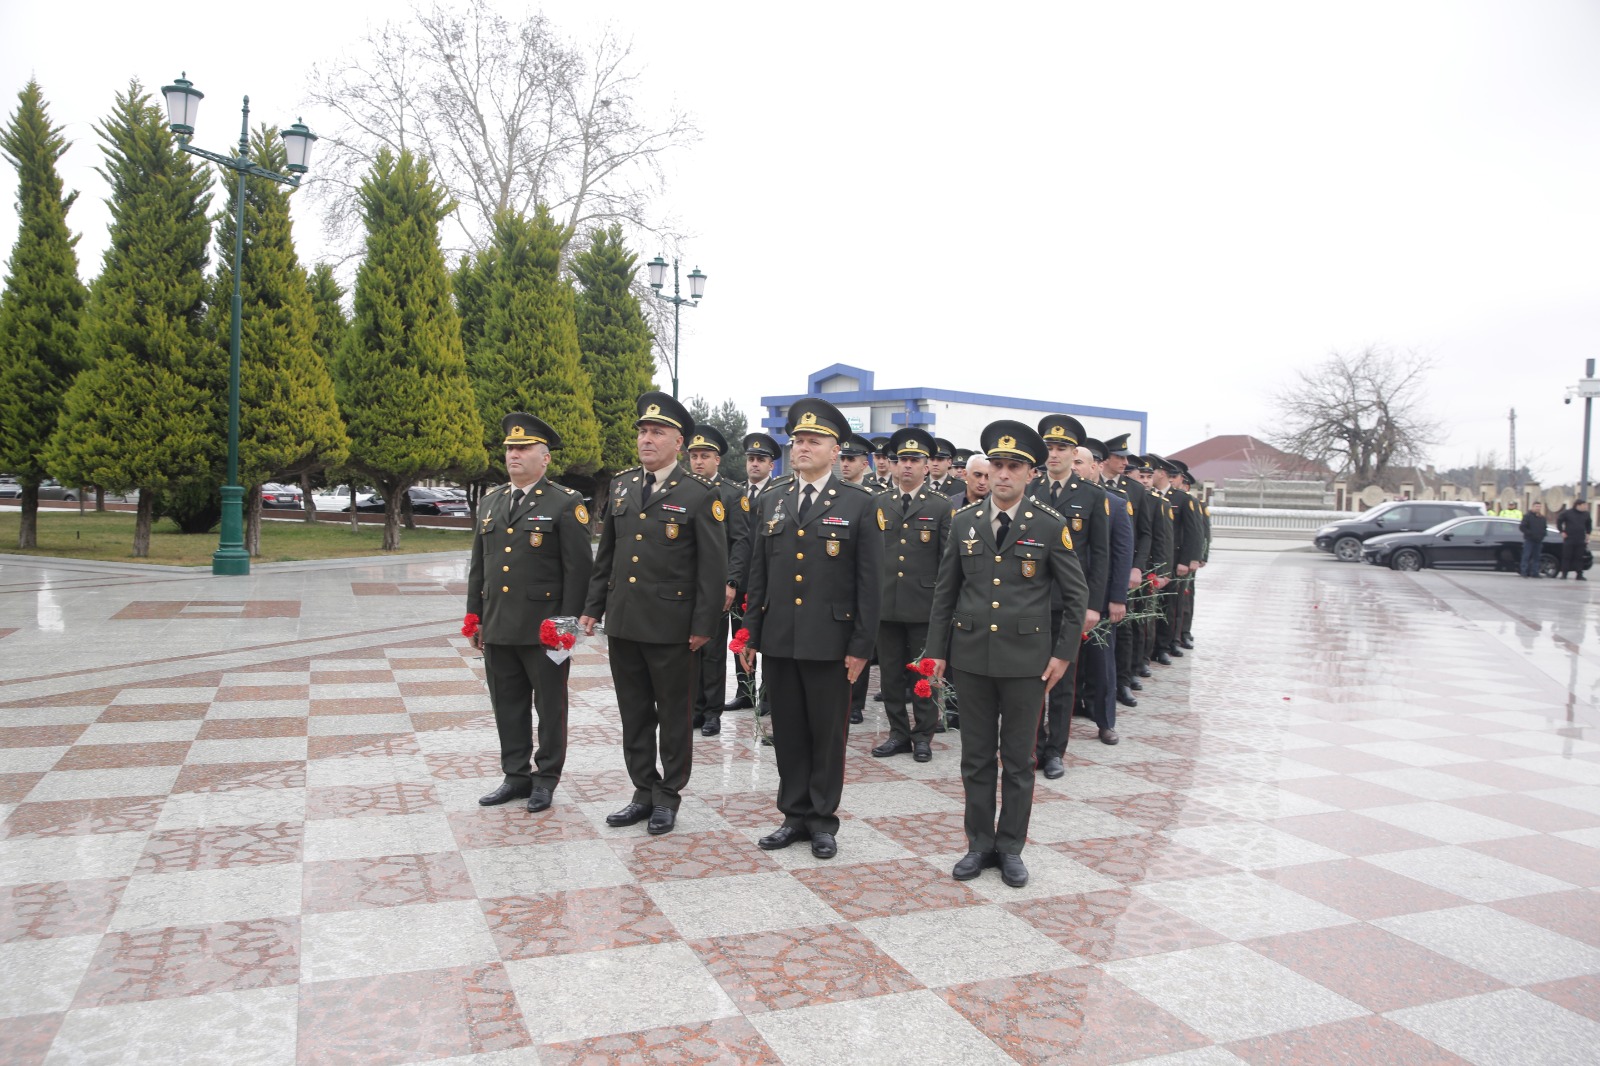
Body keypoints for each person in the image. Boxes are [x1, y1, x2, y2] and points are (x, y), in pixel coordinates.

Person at [926, 420, 1088, 888]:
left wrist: (1062, 655)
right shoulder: (963, 523)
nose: (1002, 475)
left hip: (1026, 663)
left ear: (1030, 473)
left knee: (1018, 760)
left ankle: (1011, 847)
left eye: (1013, 466)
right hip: (972, 658)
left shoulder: (1048, 525)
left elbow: (1075, 597)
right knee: (975, 757)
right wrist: (936, 652)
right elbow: (945, 593)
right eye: (996, 465)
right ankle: (979, 844)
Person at [741, 398, 883, 859]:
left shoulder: (859, 504)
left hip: (831, 641)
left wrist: (862, 646)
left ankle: (822, 820)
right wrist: (751, 634)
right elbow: (758, 574)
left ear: (834, 449)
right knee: (788, 731)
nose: (802, 447)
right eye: (798, 440)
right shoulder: (773, 499)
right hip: (781, 639)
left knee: (827, 735)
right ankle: (792, 814)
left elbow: (869, 584)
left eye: (813, 440)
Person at [580, 392, 726, 836]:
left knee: (674, 715)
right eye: (643, 431)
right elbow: (606, 554)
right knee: (635, 712)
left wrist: (704, 625)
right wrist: (592, 608)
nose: (646, 439)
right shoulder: (623, 486)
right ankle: (642, 791)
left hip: (673, 628)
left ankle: (668, 795)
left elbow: (712, 568)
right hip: (624, 623)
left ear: (677, 442)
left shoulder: (699, 495)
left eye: (656, 432)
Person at [467, 413, 594, 813]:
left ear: (545, 458)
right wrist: (475, 617)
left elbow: (579, 572)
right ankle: (515, 775)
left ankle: (546, 777)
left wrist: (566, 626)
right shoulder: (490, 503)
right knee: (507, 703)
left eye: (523, 448)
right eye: (509, 449)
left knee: (550, 707)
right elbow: (479, 566)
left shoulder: (564, 503)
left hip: (545, 629)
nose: (514, 455)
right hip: (500, 623)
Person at [1032, 414, 1107, 778]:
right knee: (1030, 676)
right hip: (1031, 600)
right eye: (1049, 447)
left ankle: (1055, 750)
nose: (1054, 454)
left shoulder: (1093, 496)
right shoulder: (1030, 491)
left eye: (1061, 448)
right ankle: (1033, 744)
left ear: (1074, 452)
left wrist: (1094, 605)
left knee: (1062, 678)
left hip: (1070, 603)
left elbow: (1101, 555)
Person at [870, 427, 952, 762]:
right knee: (889, 676)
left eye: (914, 460)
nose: (907, 466)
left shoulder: (941, 507)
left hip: (923, 606)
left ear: (927, 465)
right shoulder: (878, 503)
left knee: (924, 675)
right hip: (886, 606)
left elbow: (948, 562)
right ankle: (898, 733)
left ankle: (923, 736)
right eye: (901, 460)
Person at [685, 425, 749, 735]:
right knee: (687, 650)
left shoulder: (733, 494)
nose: (698, 462)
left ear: (717, 460)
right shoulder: (680, 489)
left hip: (715, 585)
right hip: (682, 585)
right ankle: (694, 708)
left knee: (711, 650)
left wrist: (732, 582)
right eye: (694, 456)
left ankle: (712, 712)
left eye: (705, 456)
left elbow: (740, 542)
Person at [1077, 440, 1133, 744]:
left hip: (1099, 598)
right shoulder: (1056, 501)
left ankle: (1105, 721)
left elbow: (1122, 556)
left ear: (1095, 466)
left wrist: (1117, 598)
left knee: (1101, 663)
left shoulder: (1116, 504)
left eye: (1079, 463)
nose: (1074, 468)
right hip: (1065, 598)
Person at [726, 432, 782, 711]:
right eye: (751, 459)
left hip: (768, 581)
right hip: (740, 579)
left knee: (767, 639)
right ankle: (744, 690)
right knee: (740, 637)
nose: (755, 464)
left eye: (761, 460)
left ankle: (767, 695)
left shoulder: (780, 493)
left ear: (772, 465)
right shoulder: (736, 493)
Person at [839, 433, 888, 724]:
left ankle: (856, 702)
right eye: (843, 459)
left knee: (861, 637)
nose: (845, 464)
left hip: (863, 577)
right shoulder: (834, 491)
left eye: (851, 459)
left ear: (864, 463)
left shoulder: (873, 496)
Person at [1102, 436, 1153, 707]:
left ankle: (1122, 682)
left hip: (1123, 569)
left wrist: (1137, 567)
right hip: (1098, 570)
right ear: (1105, 459)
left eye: (1126, 458)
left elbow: (1145, 533)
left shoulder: (1134, 490)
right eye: (1119, 457)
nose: (1125, 462)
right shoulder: (1090, 486)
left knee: (1122, 628)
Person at [1558, 499, 1591, 580]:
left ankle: (1579, 574)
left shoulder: (1586, 514)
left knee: (1579, 557)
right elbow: (1559, 521)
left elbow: (1588, 524)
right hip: (1569, 538)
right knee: (1567, 556)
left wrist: (1588, 534)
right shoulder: (1567, 513)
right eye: (1584, 505)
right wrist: (1561, 531)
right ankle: (1564, 574)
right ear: (1578, 505)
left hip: (1580, 538)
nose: (1585, 507)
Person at [1519, 501, 1548, 578]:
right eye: (1536, 506)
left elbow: (1544, 528)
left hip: (1538, 541)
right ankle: (1524, 572)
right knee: (1526, 556)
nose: (1538, 508)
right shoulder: (1527, 516)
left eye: (1539, 507)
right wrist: (1530, 533)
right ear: (1532, 507)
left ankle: (1535, 573)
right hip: (1529, 540)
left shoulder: (1542, 518)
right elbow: (1522, 527)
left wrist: (1542, 535)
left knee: (1537, 557)